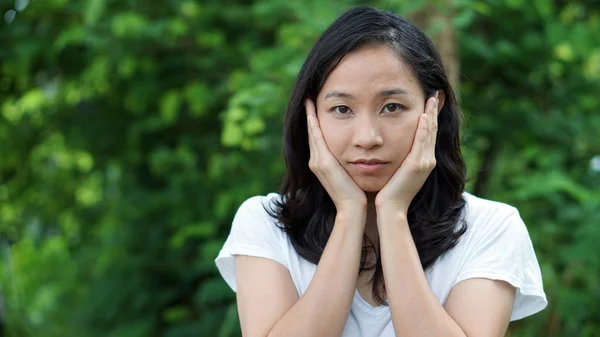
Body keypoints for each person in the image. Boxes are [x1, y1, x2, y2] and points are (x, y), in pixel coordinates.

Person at [215, 5, 547, 337]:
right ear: (311, 116)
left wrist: (392, 212)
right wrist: (349, 213)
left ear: (434, 108)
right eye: (342, 109)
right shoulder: (264, 224)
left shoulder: (490, 229)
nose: (368, 138)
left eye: (392, 107)